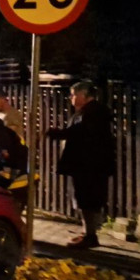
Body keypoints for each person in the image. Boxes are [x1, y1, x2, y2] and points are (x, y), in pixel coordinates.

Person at [46, 80, 115, 249]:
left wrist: (58, 133)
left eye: (73, 94)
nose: (71, 98)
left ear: (83, 95)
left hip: (89, 165)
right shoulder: (88, 112)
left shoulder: (93, 113)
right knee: (84, 199)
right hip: (85, 164)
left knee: (87, 199)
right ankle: (88, 233)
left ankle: (91, 236)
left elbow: (80, 132)